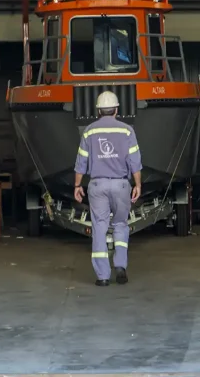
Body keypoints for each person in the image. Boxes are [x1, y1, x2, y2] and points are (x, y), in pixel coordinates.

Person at [74, 91, 142, 287]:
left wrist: (77, 185)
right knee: (121, 224)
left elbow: (81, 162)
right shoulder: (127, 131)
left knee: (99, 227)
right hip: (121, 184)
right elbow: (135, 162)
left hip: (97, 185)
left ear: (98, 111)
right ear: (116, 110)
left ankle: (102, 276)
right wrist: (137, 184)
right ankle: (120, 265)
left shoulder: (89, 131)